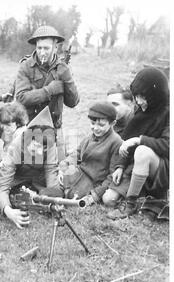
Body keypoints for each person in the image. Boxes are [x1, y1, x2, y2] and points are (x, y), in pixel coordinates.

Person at [103, 67, 169, 219]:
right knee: (108, 199)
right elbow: (127, 142)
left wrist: (140, 140)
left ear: (155, 95)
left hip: (163, 168)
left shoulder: (168, 112)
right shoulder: (141, 111)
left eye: (143, 97)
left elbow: (168, 146)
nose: (138, 101)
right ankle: (139, 191)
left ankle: (130, 203)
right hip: (137, 166)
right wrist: (120, 166)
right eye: (136, 96)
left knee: (141, 151)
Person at [0, 106, 63, 229]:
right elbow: (3, 186)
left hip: (38, 180)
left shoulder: (50, 144)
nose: (40, 151)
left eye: (43, 147)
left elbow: (51, 172)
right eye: (35, 145)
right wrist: (8, 211)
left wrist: (55, 199)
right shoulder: (15, 146)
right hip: (17, 180)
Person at [15, 25, 80, 129]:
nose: (42, 52)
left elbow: (73, 102)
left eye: (46, 48)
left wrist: (67, 78)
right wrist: (49, 91)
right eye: (39, 48)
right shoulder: (26, 66)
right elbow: (20, 98)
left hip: (54, 128)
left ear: (55, 48)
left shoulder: (63, 68)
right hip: (29, 127)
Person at [58, 101, 122, 205]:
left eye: (101, 125)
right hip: (79, 173)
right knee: (57, 183)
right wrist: (65, 165)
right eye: (92, 123)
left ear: (112, 123)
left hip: (93, 182)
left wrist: (95, 195)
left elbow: (111, 176)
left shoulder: (116, 142)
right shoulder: (90, 136)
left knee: (74, 198)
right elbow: (77, 153)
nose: (95, 128)